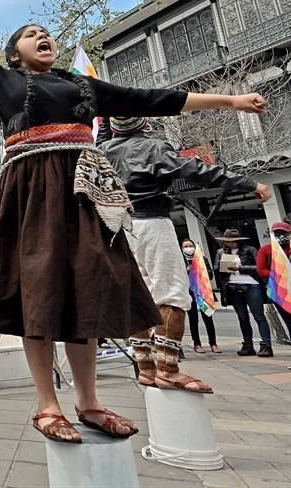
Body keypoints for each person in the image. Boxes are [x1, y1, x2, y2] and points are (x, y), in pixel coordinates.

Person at [0, 0, 268, 443]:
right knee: (36, 294)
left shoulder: (83, 86)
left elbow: (154, 98)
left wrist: (231, 101)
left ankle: (89, 402)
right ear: (14, 54)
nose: (43, 36)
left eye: (46, 32)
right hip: (32, 195)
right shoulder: (3, 80)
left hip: (82, 195)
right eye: (31, 33)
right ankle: (46, 405)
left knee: (84, 294)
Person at [101, 116, 267, 392]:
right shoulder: (154, 148)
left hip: (119, 229)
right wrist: (249, 184)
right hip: (153, 224)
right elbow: (196, 169)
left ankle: (145, 367)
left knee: (135, 294)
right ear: (144, 126)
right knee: (173, 294)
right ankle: (167, 368)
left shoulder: (104, 150)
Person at [215, 229, 271, 357]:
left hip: (251, 285)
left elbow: (259, 267)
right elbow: (216, 269)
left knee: (259, 316)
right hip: (233, 287)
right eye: (228, 242)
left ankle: (266, 344)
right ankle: (247, 344)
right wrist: (223, 268)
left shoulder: (250, 250)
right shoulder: (221, 252)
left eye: (234, 241)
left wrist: (240, 268)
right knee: (242, 318)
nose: (231, 244)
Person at [182, 239, 220, 354]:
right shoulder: (180, 261)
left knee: (208, 317)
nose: (188, 248)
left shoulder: (202, 259)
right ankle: (197, 343)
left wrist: (199, 269)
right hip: (189, 292)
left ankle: (213, 343)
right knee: (193, 319)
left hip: (202, 291)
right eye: (185, 246)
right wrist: (187, 270)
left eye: (190, 245)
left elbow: (210, 275)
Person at [256, 221, 291, 340]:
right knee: (288, 318)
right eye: (277, 233)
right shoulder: (266, 250)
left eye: (284, 233)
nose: (280, 235)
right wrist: (280, 274)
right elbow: (261, 270)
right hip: (279, 290)